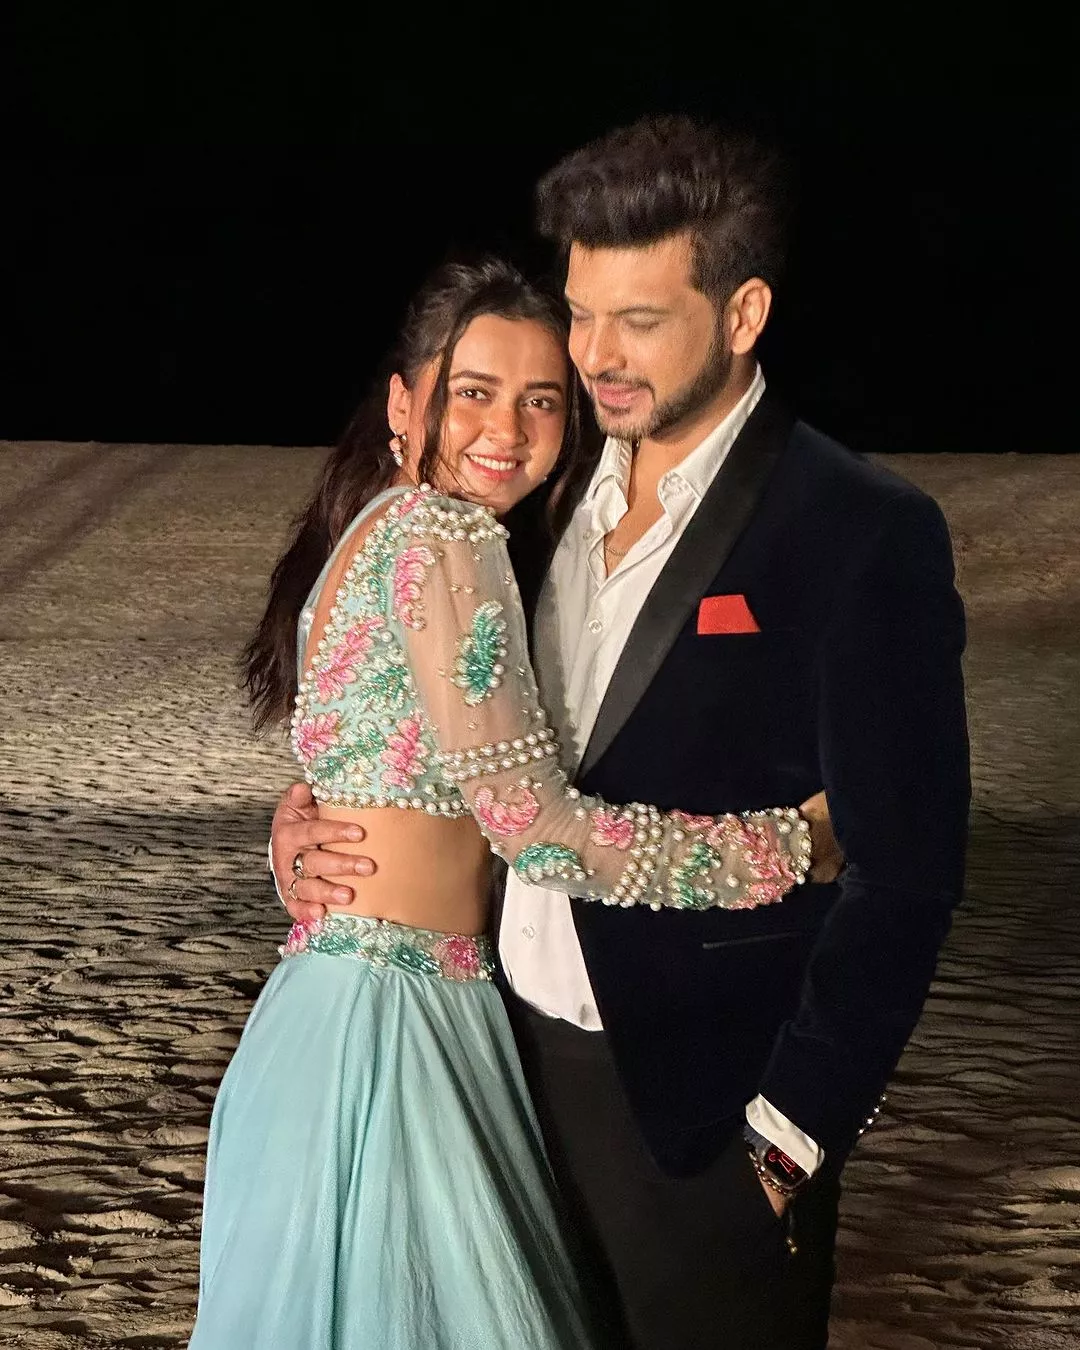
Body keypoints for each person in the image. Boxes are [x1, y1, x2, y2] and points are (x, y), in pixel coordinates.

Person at [276, 119, 971, 1350]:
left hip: (705, 1124)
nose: (594, 355)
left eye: (638, 321)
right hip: (496, 1073)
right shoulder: (529, 498)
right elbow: (437, 731)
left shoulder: (858, 530)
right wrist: (313, 829)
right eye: (583, 313)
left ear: (743, 313)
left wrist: (792, 1134)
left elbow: (908, 873)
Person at [192, 257, 835, 1350]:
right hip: (395, 1032)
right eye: (474, 392)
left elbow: (368, 772)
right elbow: (535, 830)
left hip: (327, 1006)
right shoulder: (444, 539)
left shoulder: (370, 529)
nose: (508, 428)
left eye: (541, 399)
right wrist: (790, 847)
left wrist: (288, 840)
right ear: (405, 403)